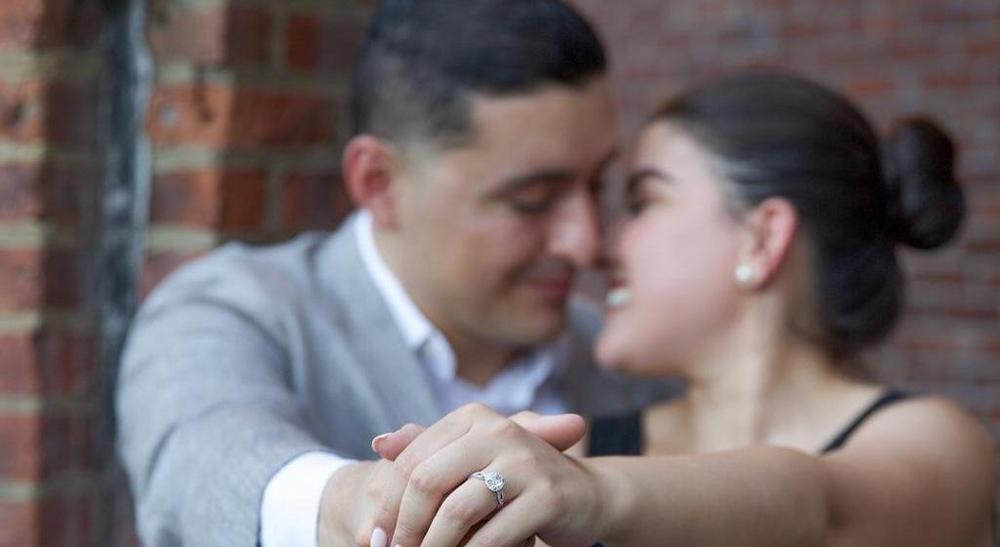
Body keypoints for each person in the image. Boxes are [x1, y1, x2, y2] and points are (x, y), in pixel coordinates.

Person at [114, 1, 673, 545]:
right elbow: (205, 462)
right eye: (533, 200)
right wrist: (365, 506)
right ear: (379, 183)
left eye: (598, 185)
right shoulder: (237, 311)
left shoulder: (628, 362)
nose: (585, 242)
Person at [365, 70, 996, 547]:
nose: (598, 244)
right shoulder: (576, 457)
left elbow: (820, 509)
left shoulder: (939, 444)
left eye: (644, 200)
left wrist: (596, 494)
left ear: (762, 238)